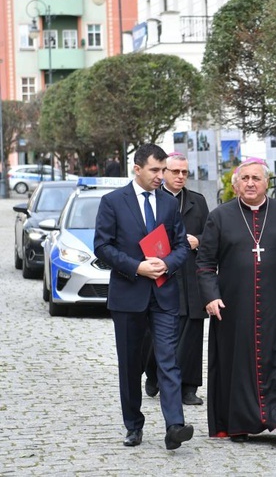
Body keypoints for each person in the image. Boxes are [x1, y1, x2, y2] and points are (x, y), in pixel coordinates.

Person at [196, 157, 276, 448]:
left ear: (266, 183)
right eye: (245, 178)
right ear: (236, 184)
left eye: (257, 178)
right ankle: (240, 422)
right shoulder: (220, 216)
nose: (250, 183)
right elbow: (204, 264)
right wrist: (211, 296)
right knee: (238, 363)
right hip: (234, 306)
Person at [94, 143, 194, 450]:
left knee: (168, 360)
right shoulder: (112, 202)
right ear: (136, 168)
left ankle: (175, 425)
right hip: (128, 294)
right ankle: (133, 425)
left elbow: (181, 246)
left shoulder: (167, 204)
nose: (161, 176)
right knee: (130, 364)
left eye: (164, 170)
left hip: (164, 295)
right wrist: (137, 267)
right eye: (155, 170)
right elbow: (102, 247)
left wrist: (168, 263)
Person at [143, 153, 210, 405]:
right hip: (161, 274)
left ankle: (189, 387)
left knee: (192, 330)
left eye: (184, 172)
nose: (180, 176)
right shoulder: (152, 201)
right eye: (175, 172)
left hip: (191, 274)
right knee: (158, 331)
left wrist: (198, 240)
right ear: (163, 172)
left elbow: (211, 234)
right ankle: (153, 372)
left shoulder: (197, 201)